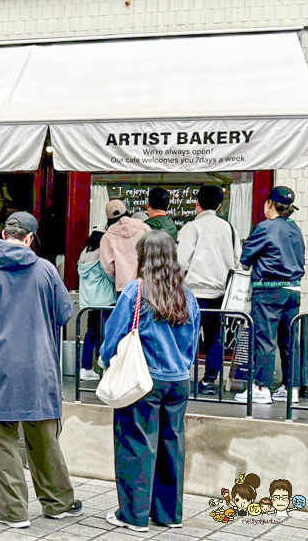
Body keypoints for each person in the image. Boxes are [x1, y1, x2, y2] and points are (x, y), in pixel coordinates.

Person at [0, 212, 80, 529]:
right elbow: (65, 313)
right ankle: (58, 503)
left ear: (3, 233)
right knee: (44, 438)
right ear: (29, 239)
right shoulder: (47, 270)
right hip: (39, 367)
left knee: (0, 440)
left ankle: (12, 511)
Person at [100, 231, 199, 532]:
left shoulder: (136, 291)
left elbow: (113, 335)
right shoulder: (187, 294)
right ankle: (169, 515)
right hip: (179, 380)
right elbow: (194, 342)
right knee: (172, 445)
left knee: (135, 444)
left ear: (143, 256)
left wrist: (105, 361)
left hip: (144, 380)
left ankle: (134, 515)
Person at [236, 187, 305, 405]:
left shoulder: (265, 228)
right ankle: (290, 387)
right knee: (289, 339)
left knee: (265, 338)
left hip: (269, 290)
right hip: (293, 290)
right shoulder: (295, 229)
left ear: (269, 204)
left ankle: (260, 387)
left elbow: (245, 259)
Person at [176, 185, 241, 396]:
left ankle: (183, 376)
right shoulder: (230, 229)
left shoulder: (192, 227)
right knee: (215, 338)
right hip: (221, 294)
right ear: (220, 205)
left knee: (187, 335)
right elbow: (237, 261)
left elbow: (180, 261)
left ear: (197, 204)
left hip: (193, 292)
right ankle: (210, 380)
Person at [77, 229, 116, 381]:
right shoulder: (101, 254)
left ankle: (86, 367)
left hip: (89, 302)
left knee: (90, 333)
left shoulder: (84, 254)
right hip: (104, 300)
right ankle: (103, 368)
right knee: (104, 334)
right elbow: (111, 276)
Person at [100, 200, 151, 292]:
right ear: (126, 211)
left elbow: (107, 267)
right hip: (146, 284)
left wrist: (118, 276)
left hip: (124, 287)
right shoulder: (144, 228)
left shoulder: (107, 236)